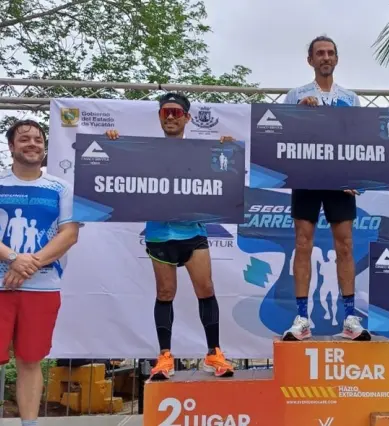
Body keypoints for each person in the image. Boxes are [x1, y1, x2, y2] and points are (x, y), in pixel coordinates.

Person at [105, 92, 235, 380]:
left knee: (207, 290)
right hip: (160, 233)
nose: (172, 117)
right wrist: (112, 146)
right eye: (167, 113)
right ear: (160, 118)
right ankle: (164, 357)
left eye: (177, 113)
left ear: (188, 118)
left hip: (193, 232)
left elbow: (224, 175)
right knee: (165, 293)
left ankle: (214, 353)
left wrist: (226, 152)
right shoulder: (146, 151)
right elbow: (120, 172)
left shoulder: (202, 152)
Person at [281, 35, 369, 341]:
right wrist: (300, 117)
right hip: (306, 175)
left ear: (337, 59)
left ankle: (349, 318)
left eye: (330, 53)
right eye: (320, 53)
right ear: (310, 60)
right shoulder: (296, 95)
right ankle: (302, 318)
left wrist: (356, 176)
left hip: (339, 180)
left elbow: (358, 141)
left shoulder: (351, 98)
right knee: (303, 243)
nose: (326, 57)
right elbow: (282, 138)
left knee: (344, 245)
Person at [0, 119, 79, 426]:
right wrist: (14, 258)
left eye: (37, 139)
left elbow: (68, 235)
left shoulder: (60, 188)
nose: (32, 143)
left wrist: (27, 264)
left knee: (31, 361)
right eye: (24, 139)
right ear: (11, 146)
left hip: (42, 288)